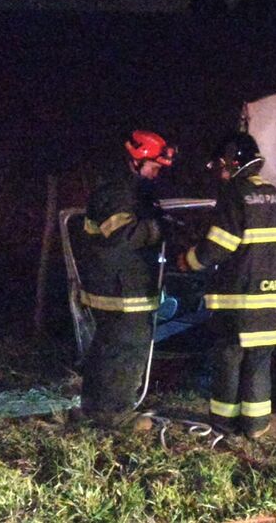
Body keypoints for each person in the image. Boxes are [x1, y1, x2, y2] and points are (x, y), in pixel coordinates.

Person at [178, 132, 276, 439]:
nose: (219, 173)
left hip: (240, 303)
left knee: (229, 361)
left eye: (219, 166)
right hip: (274, 302)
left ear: (231, 163)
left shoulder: (235, 194)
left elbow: (219, 245)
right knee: (259, 363)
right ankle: (256, 427)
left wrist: (188, 261)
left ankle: (223, 425)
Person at [78, 130, 176, 430]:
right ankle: (115, 413)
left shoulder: (127, 190)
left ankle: (95, 409)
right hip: (119, 288)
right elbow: (122, 235)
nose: (157, 173)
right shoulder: (117, 192)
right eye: (154, 167)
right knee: (126, 348)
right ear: (136, 161)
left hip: (122, 285)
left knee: (108, 348)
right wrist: (158, 228)